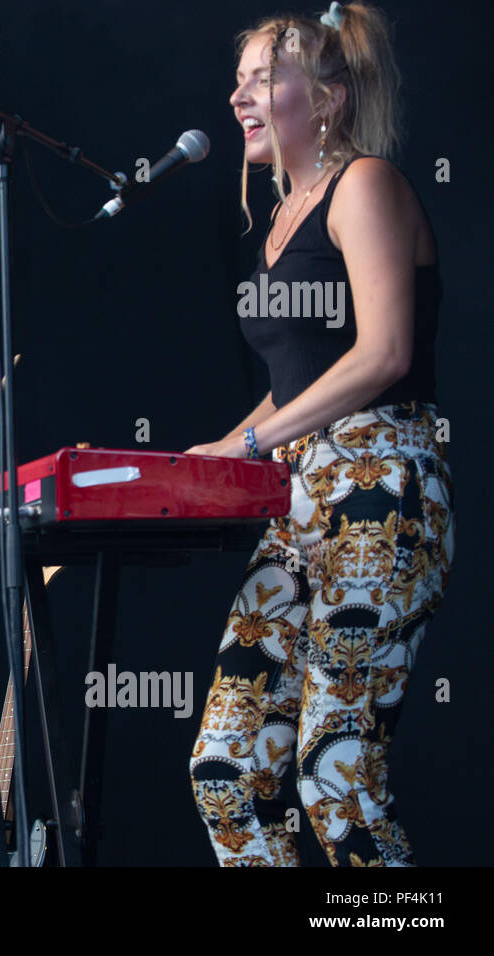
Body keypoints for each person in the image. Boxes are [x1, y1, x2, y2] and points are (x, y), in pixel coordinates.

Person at [185, 2, 453, 866]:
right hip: (301, 505)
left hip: (383, 496)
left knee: (334, 775)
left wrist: (252, 450)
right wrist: (211, 455)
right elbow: (293, 390)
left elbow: (383, 353)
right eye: (238, 82)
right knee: (226, 769)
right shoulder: (277, 224)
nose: (238, 98)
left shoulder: (365, 184)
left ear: (328, 98)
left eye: (263, 79)